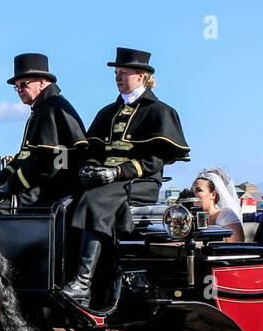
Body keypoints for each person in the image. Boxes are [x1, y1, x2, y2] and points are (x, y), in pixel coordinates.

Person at [60, 47, 190, 306]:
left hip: (140, 183)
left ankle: (83, 284)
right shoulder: (107, 112)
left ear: (142, 76)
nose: (118, 78)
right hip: (106, 184)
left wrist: (116, 172)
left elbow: (154, 161)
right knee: (65, 201)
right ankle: (65, 274)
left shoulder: (159, 112)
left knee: (94, 199)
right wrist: (91, 168)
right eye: (116, 73)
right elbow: (93, 149)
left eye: (124, 73)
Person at [0, 53, 87, 208]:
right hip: (37, 185)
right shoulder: (40, 110)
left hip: (51, 190)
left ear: (42, 82)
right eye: (16, 86)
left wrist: (14, 183)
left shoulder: (53, 109)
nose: (19, 90)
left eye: (24, 84)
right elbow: (26, 156)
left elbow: (53, 162)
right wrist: (2, 175)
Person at [192, 167, 243, 243]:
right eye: (192, 191)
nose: (193, 195)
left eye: (199, 190)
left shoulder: (226, 215)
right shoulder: (189, 218)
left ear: (213, 194)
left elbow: (237, 247)